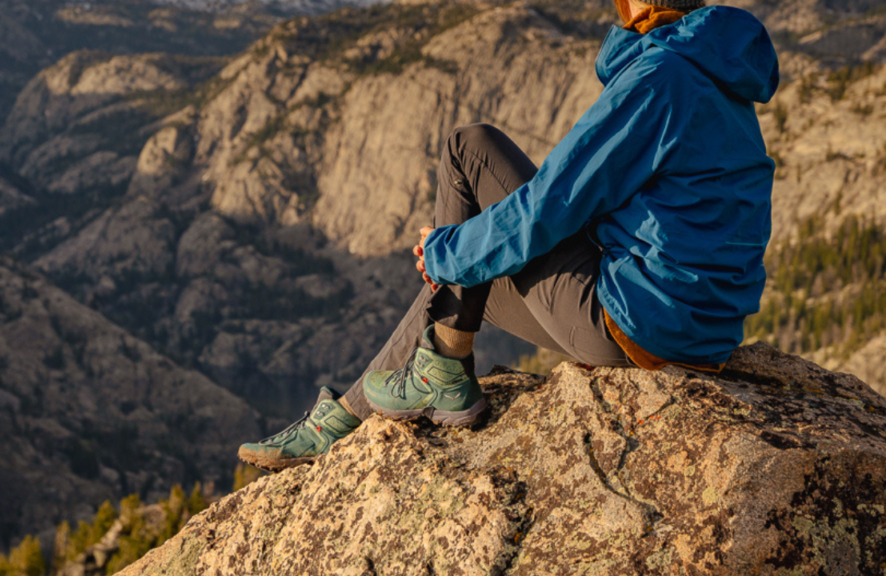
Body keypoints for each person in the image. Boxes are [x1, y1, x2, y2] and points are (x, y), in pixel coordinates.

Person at [238, 0, 779, 472]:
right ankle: (347, 417)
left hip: (637, 326)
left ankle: (439, 371)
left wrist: (447, 251)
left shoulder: (661, 77)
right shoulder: (717, 78)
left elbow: (549, 204)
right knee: (472, 272)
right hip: (698, 334)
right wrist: (464, 251)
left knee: (470, 148)